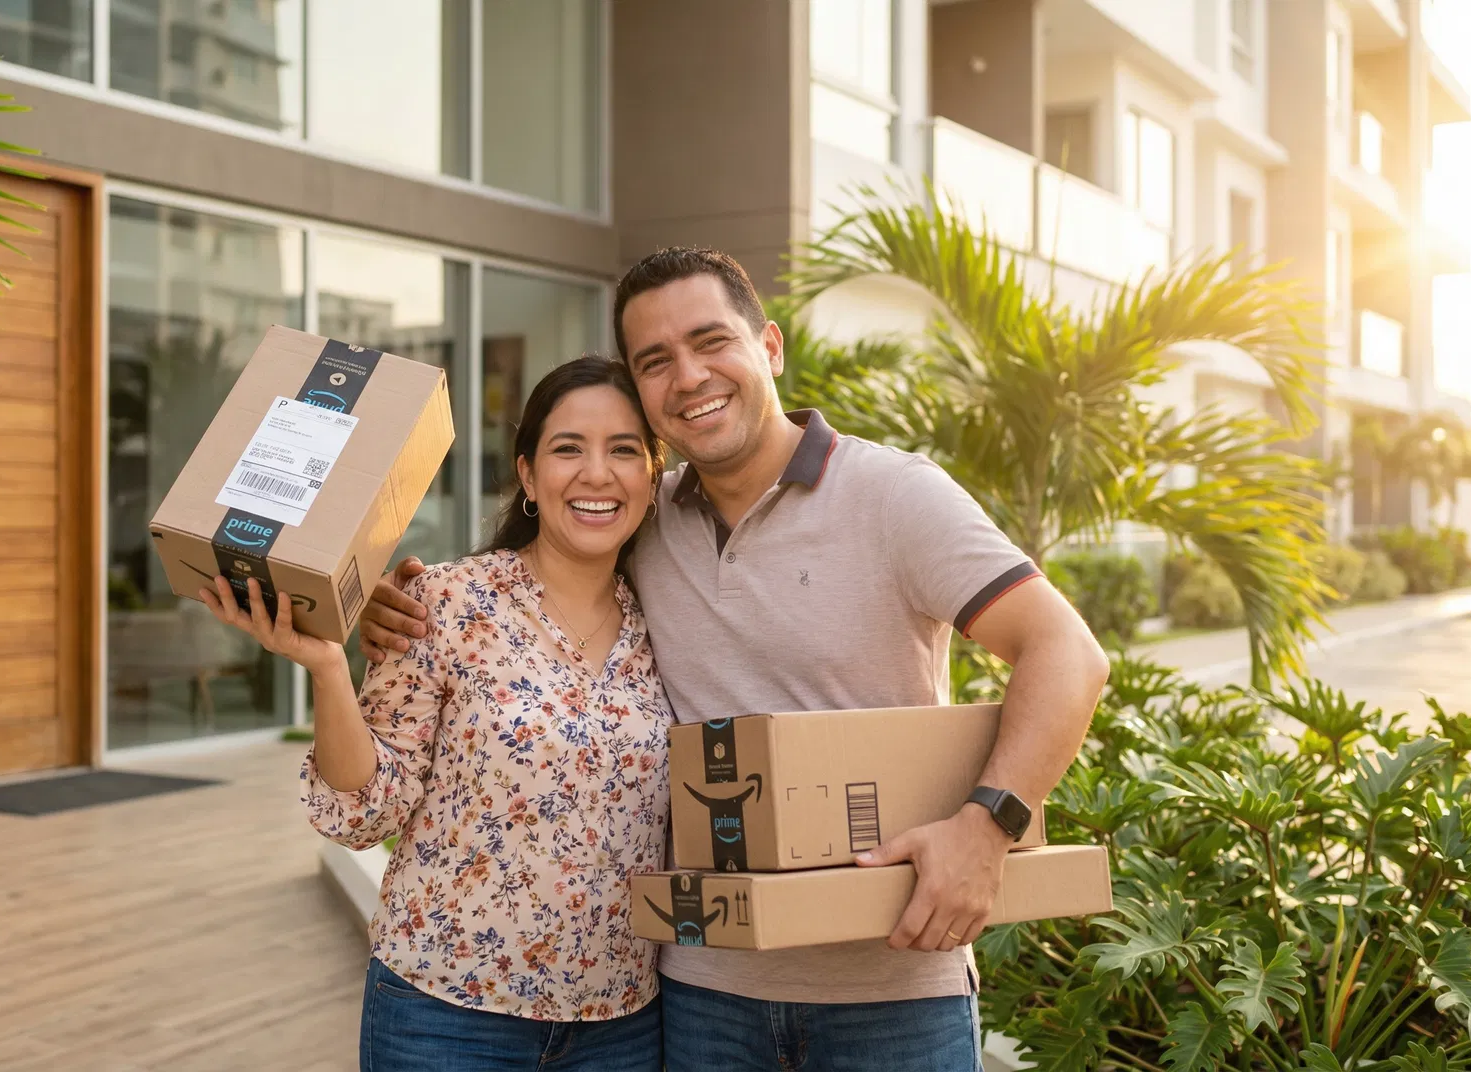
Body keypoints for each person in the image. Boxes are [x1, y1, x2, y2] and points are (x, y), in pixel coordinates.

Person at [360, 247, 1110, 1070]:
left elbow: (1066, 652)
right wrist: (395, 610)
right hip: (703, 990)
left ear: (770, 347)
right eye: (655, 361)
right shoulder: (646, 518)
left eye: (710, 341)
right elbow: (535, 582)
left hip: (892, 984)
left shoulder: (896, 496)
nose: (688, 376)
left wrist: (987, 830)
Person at [202, 355, 672, 1071]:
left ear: (653, 476)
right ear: (526, 477)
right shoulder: (443, 603)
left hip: (620, 1024)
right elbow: (364, 813)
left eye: (624, 450)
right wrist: (329, 666)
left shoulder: (667, 623)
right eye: (568, 448)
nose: (597, 473)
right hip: (447, 1014)